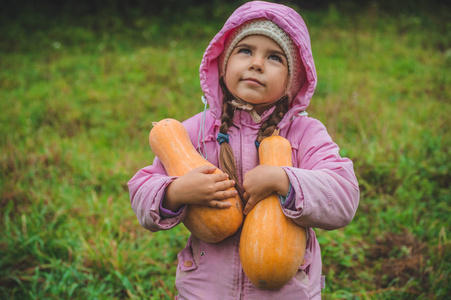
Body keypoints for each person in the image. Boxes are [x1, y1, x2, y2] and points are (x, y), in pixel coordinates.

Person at [128, 1, 359, 299]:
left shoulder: (305, 134)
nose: (257, 64)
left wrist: (284, 179)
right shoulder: (194, 132)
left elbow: (344, 197)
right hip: (206, 289)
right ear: (223, 66)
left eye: (274, 57)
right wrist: (175, 192)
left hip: (284, 290)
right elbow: (141, 190)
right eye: (246, 50)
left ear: (292, 81)